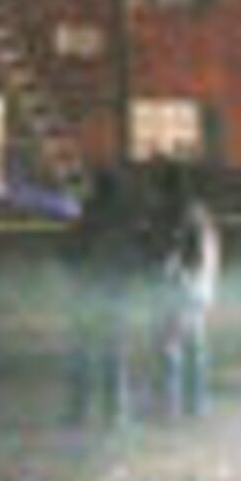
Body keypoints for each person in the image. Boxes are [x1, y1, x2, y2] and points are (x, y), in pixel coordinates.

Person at [63, 165, 146, 430]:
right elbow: (134, 258)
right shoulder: (123, 219)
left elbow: (69, 253)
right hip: (114, 293)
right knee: (113, 355)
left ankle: (79, 411)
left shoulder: (86, 216)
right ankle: (115, 413)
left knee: (83, 353)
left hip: (88, 292)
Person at [152, 162, 221, 419]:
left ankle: (170, 407)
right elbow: (210, 256)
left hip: (180, 288)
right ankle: (198, 405)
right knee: (196, 348)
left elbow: (172, 255)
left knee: (170, 349)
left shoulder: (174, 213)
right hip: (201, 290)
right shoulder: (202, 214)